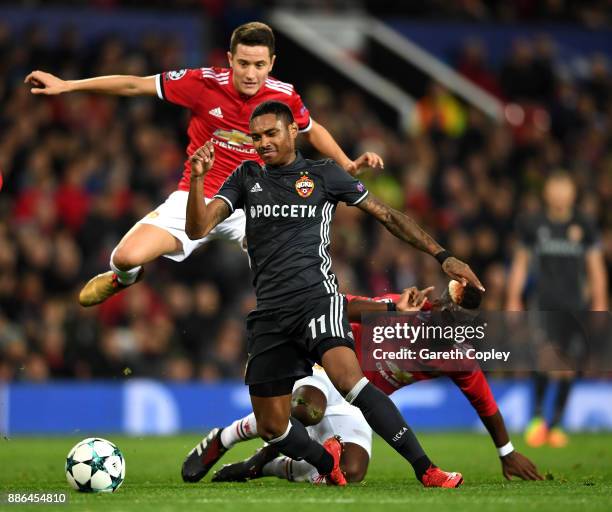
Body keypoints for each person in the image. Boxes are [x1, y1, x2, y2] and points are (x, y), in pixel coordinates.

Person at [185, 100, 484, 487]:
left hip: (318, 300)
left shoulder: (323, 173)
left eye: (271, 133)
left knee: (351, 381)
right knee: (273, 426)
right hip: (271, 313)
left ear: (293, 131)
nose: (262, 143)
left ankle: (426, 470)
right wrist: (197, 179)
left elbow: (388, 216)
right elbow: (197, 229)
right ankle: (325, 466)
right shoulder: (246, 176)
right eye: (256, 137)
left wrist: (442, 256)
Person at [24, 22, 383, 307]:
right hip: (197, 196)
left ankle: (326, 345)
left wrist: (346, 162)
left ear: (271, 63)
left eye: (259, 65)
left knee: (294, 277)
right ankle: (124, 279)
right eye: (243, 63)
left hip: (254, 202)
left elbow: (311, 128)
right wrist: (68, 86)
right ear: (230, 59)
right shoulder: (202, 83)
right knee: (124, 256)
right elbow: (135, 85)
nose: (250, 73)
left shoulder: (284, 95)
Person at [182, 283, 542, 484]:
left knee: (352, 472)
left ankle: (266, 466)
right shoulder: (401, 311)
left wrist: (506, 454)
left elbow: (486, 406)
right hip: (322, 373)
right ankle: (227, 437)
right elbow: (338, 304)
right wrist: (388, 308)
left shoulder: (458, 359)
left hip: (359, 404)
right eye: (441, 313)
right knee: (306, 407)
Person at [506, 172, 608, 448]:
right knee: (545, 357)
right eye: (555, 188)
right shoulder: (533, 223)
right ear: (546, 192)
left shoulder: (584, 224)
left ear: (573, 193)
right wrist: (514, 298)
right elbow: (521, 263)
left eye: (565, 188)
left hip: (574, 305)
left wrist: (600, 301)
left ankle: (556, 424)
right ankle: (538, 419)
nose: (560, 194)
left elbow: (595, 265)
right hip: (543, 303)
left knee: (569, 364)